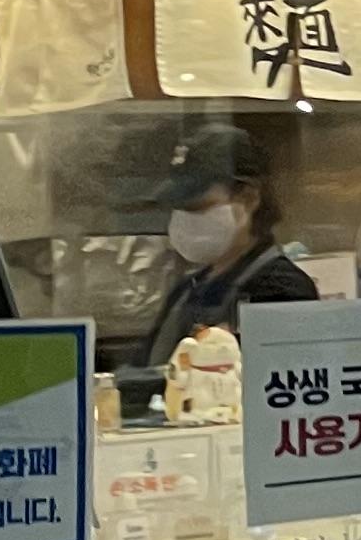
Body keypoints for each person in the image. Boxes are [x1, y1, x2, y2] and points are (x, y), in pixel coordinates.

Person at [136, 127, 320, 366]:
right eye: (177, 207)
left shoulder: (283, 291)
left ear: (249, 198)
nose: (184, 218)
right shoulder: (186, 289)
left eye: (197, 205)